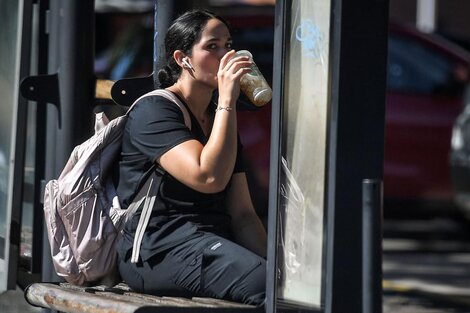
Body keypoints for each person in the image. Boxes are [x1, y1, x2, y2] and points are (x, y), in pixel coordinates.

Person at [116, 9, 267, 306]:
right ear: (182, 59)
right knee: (264, 284)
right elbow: (207, 177)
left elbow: (244, 214)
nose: (226, 56)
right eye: (212, 47)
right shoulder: (154, 111)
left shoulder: (219, 121)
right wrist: (226, 100)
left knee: (285, 287)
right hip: (157, 251)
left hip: (209, 244)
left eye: (228, 45)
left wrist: (277, 266)